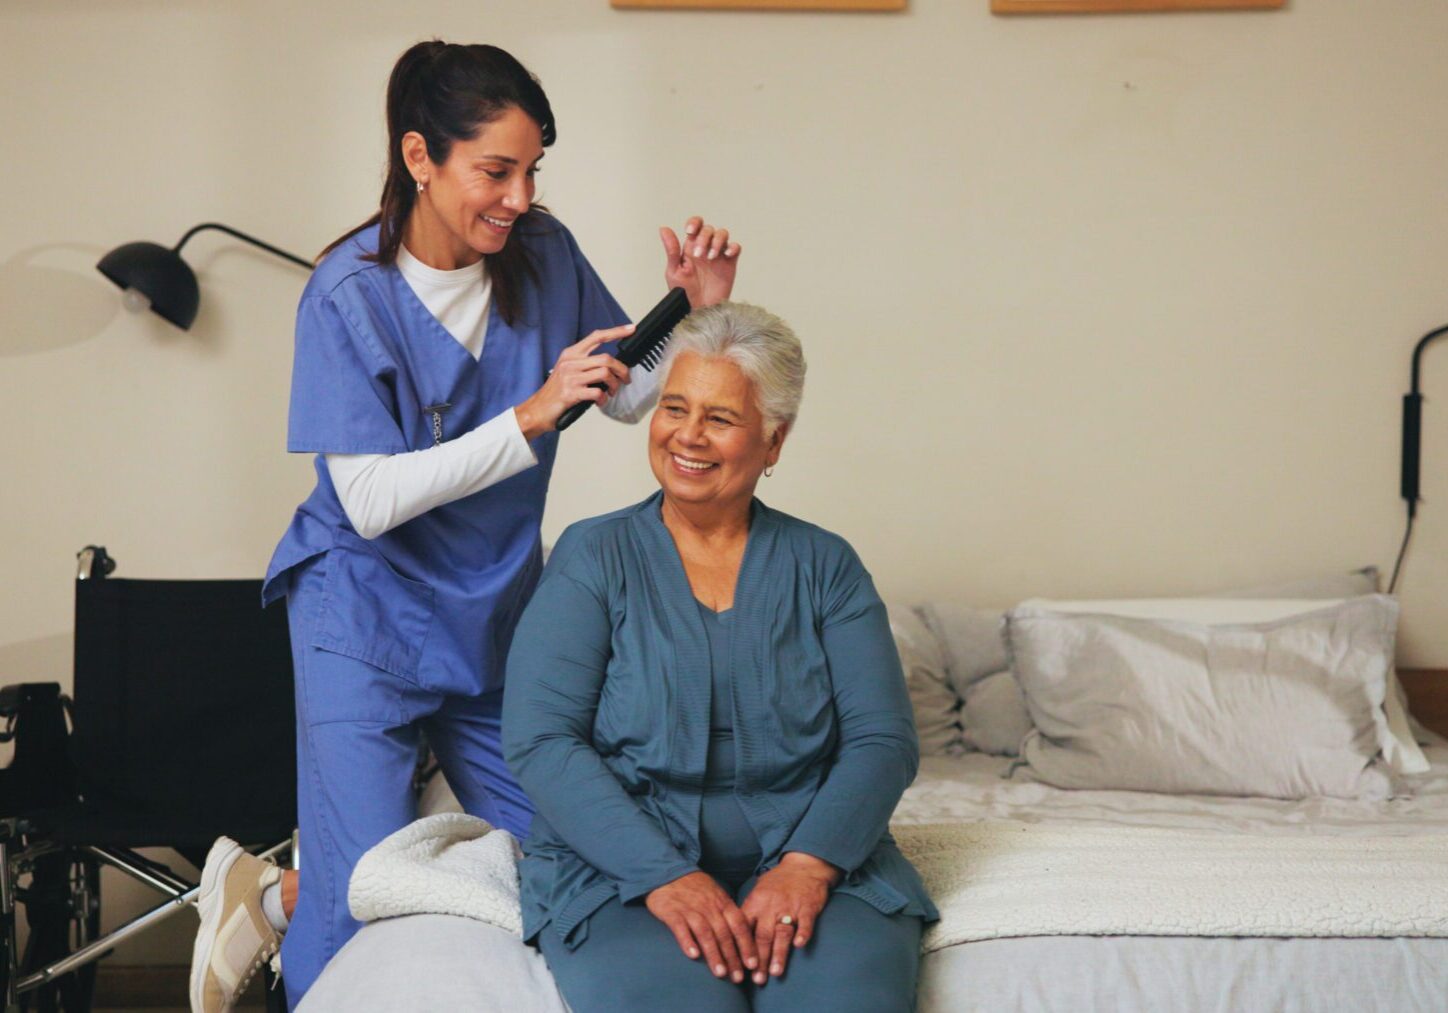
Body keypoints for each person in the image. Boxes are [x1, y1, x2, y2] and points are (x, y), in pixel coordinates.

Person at [187, 40, 742, 1013]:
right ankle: (299, 909)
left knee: (566, 845)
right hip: (360, 619)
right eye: (496, 169)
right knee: (364, 893)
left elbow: (617, 398)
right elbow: (366, 498)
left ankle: (273, 889)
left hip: (489, 615)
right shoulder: (347, 294)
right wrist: (529, 412)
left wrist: (694, 312)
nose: (520, 194)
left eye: (532, 169)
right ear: (418, 158)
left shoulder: (539, 251)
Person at [503, 302, 937, 1013]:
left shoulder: (826, 565)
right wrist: (663, 874)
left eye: (721, 418)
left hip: (813, 855)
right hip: (620, 868)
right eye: (675, 407)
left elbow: (882, 739)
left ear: (773, 441)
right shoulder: (594, 555)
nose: (688, 435)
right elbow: (541, 738)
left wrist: (807, 864)